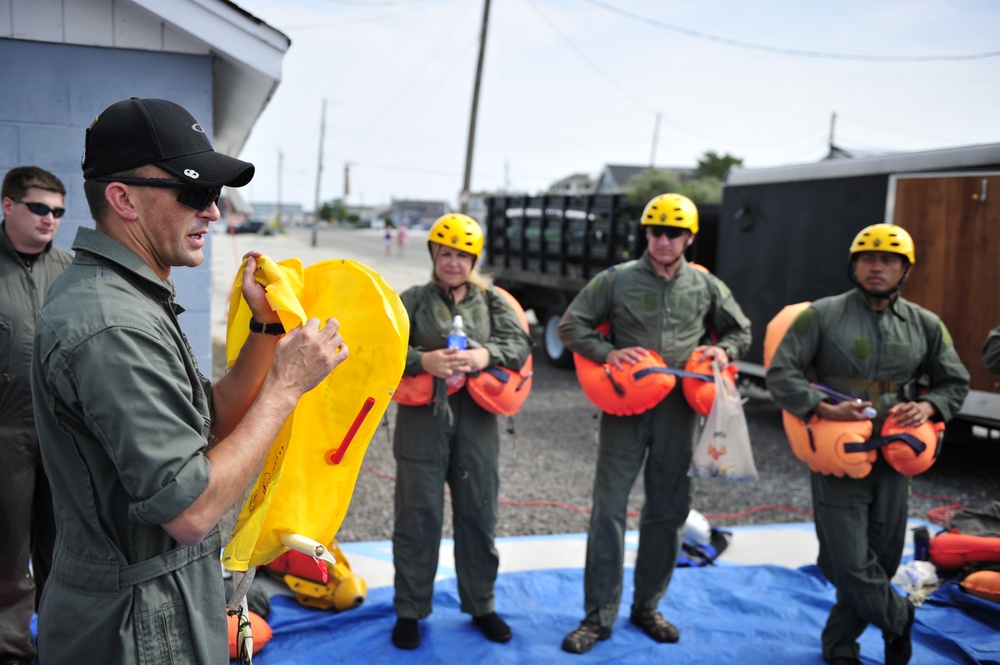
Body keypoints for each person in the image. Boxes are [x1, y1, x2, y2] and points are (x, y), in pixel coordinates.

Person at [29, 97, 348, 664]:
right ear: (123, 199)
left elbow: (212, 418)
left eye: (215, 194)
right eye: (195, 192)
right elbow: (191, 511)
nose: (214, 213)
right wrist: (285, 388)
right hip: (135, 623)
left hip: (154, 601)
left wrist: (267, 328)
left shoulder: (130, 296)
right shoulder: (111, 324)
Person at [556, 193, 752, 654]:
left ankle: (648, 607)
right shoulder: (617, 280)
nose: (664, 241)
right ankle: (596, 618)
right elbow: (571, 326)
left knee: (668, 511)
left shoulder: (706, 288)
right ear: (646, 233)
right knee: (608, 511)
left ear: (688, 238)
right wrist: (608, 353)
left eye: (674, 233)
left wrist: (726, 350)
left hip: (678, 414)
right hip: (626, 409)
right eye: (656, 231)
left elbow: (741, 329)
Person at [766, 223, 970, 665]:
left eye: (889, 260)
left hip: (896, 457)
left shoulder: (925, 324)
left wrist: (931, 406)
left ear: (904, 270)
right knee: (844, 561)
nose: (877, 267)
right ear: (854, 266)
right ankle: (898, 617)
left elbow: (954, 381)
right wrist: (821, 406)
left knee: (881, 556)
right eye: (868, 259)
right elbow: (782, 374)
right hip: (840, 453)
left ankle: (840, 647)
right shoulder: (820, 315)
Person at [390, 213, 533, 650]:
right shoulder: (410, 300)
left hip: (477, 422)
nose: (454, 262)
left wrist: (484, 356)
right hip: (422, 424)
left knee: (478, 512)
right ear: (434, 254)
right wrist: (422, 362)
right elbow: (382, 346)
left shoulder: (493, 302)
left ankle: (482, 604)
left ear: (475, 259)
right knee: (417, 517)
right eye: (446, 253)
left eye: (463, 255)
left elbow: (520, 344)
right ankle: (410, 610)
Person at [0, 166, 71, 665]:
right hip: (5, 439)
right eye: (40, 208)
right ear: (8, 205)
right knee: (7, 556)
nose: (51, 219)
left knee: (63, 551)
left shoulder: (70, 271)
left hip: (61, 437)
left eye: (59, 211)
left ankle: (63, 646)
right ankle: (11, 650)